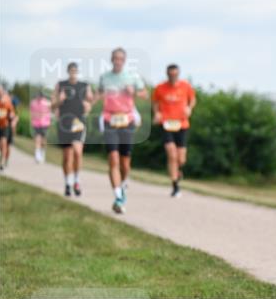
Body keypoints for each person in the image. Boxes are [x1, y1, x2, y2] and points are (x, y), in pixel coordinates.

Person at [97, 48, 147, 213]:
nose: (117, 61)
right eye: (115, 58)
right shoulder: (104, 78)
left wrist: (135, 92)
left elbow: (145, 94)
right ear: (111, 59)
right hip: (109, 119)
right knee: (113, 157)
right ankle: (118, 196)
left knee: (125, 161)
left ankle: (124, 182)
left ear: (124, 60)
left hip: (127, 120)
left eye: (120, 59)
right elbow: (98, 94)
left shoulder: (132, 77)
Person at [152, 64, 196, 197]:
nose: (172, 77)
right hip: (166, 124)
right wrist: (157, 113)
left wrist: (189, 108)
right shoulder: (160, 88)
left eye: (175, 74)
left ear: (178, 74)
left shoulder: (186, 86)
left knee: (181, 158)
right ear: (167, 74)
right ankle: (175, 186)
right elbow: (155, 103)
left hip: (182, 124)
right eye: (170, 74)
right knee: (172, 154)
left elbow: (192, 99)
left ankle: (178, 170)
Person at [53, 62, 93, 196]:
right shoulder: (61, 85)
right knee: (66, 157)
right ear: (68, 71)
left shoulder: (84, 86)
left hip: (78, 122)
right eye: (71, 70)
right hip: (64, 123)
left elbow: (91, 101)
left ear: (78, 71)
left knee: (77, 151)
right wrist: (60, 99)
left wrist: (88, 105)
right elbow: (52, 106)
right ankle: (67, 183)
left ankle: (76, 180)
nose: (73, 72)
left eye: (75, 70)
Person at [30, 91, 52, 164]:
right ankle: (37, 154)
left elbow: (50, 112)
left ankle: (42, 152)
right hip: (36, 124)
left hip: (45, 124)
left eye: (40, 96)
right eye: (37, 96)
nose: (38, 97)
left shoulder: (47, 103)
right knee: (37, 138)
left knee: (43, 140)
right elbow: (32, 112)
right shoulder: (33, 103)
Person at [0, 87, 16, 171]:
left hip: (5, 126)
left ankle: (2, 162)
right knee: (0, 146)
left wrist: (12, 117)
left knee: (4, 143)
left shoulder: (7, 102)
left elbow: (12, 113)